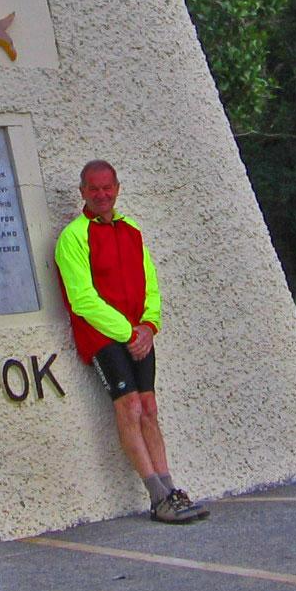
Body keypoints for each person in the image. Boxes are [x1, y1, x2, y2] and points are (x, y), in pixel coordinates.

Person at [54, 159, 208, 524]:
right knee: (131, 409)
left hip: (139, 334)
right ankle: (157, 497)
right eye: (94, 189)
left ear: (117, 189)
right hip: (104, 337)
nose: (102, 195)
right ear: (82, 193)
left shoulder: (132, 231)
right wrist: (128, 333)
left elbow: (150, 283)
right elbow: (82, 299)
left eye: (107, 187)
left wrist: (149, 326)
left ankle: (171, 489)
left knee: (150, 409)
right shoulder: (73, 237)